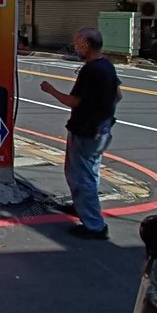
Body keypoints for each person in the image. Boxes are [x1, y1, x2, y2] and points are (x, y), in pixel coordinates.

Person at [39, 27, 122, 239]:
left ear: (85, 45)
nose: (75, 47)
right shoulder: (107, 65)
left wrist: (50, 90)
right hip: (101, 128)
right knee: (90, 171)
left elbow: (73, 101)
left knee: (80, 175)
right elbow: (118, 95)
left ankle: (94, 225)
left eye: (77, 43)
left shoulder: (91, 70)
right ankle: (82, 207)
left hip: (86, 129)